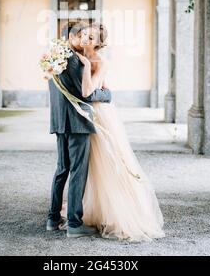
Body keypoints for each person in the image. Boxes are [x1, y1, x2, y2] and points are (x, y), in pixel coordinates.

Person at [61, 22, 165, 242]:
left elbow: (88, 92)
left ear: (99, 43)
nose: (86, 39)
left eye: (92, 38)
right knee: (92, 168)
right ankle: (91, 213)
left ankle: (119, 214)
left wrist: (88, 67)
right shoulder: (76, 54)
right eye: (85, 35)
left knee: (107, 164)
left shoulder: (98, 61)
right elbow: (103, 88)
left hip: (99, 116)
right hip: (85, 114)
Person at [46, 21, 112, 238]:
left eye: (88, 36)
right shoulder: (74, 61)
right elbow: (88, 95)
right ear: (71, 37)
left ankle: (53, 218)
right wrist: (108, 95)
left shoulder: (54, 58)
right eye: (81, 35)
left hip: (59, 121)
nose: (84, 39)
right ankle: (74, 224)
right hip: (77, 123)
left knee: (62, 169)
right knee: (77, 172)